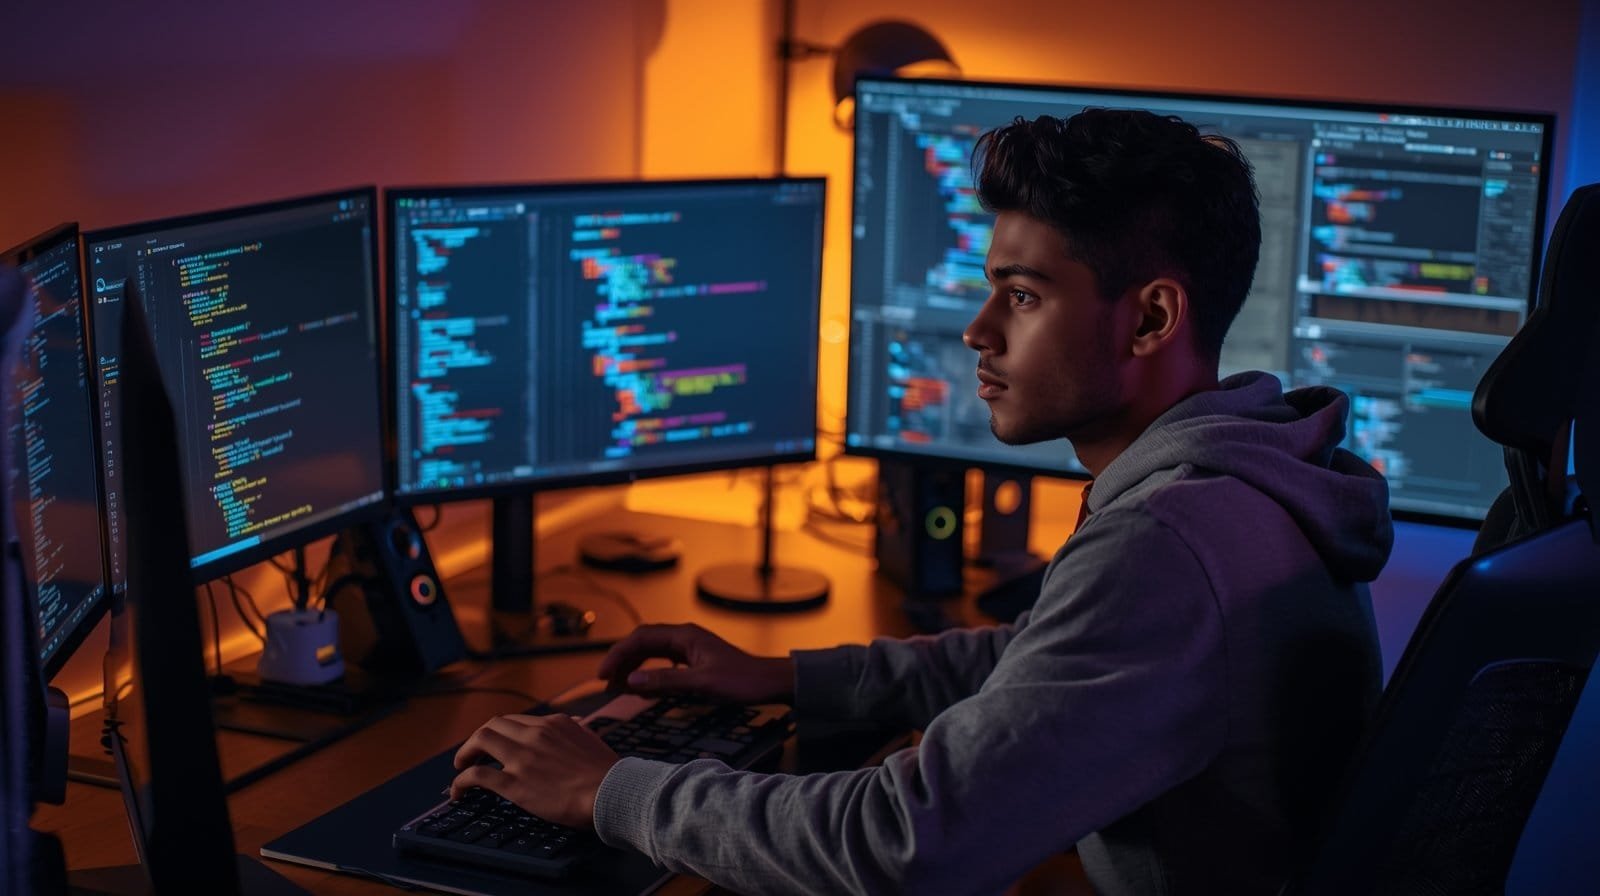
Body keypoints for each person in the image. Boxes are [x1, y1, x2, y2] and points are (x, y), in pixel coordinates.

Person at [449, 109, 1394, 895]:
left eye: (1021, 297)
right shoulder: (1245, 480)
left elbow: (907, 843)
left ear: (1150, 317)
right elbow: (1045, 660)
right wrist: (791, 679)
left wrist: (611, 787)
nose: (978, 332)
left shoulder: (1168, 544)